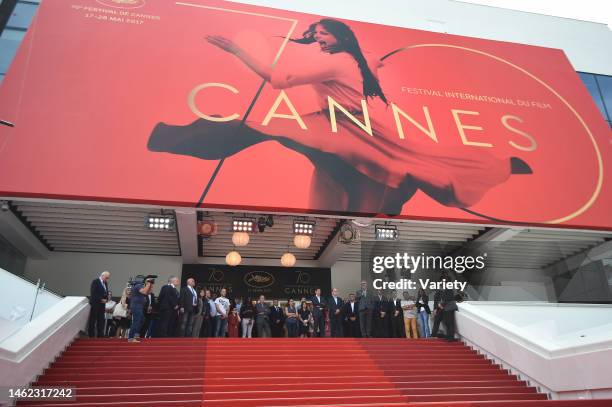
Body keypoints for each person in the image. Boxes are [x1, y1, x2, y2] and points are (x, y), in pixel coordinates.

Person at [149, 19, 532, 217]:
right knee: (386, 170)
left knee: (419, 165)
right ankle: (173, 138)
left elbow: (279, 80)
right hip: (337, 123)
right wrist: (374, 63)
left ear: (339, 36)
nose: (316, 37)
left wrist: (237, 50)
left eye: (322, 33)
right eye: (313, 33)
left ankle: (170, 138)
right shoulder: (355, 61)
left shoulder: (340, 61)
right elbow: (368, 70)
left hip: (347, 128)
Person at [128, 277, 154, 342]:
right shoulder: (138, 286)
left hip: (139, 306)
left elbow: (148, 292)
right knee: (136, 321)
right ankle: (131, 337)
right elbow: (145, 292)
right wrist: (148, 284)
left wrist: (151, 285)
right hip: (136, 306)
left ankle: (136, 333)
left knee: (142, 320)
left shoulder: (140, 286)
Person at [88, 271, 110, 338]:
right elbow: (93, 293)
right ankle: (91, 335)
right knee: (93, 319)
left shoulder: (105, 283)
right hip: (95, 304)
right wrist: (101, 299)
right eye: (106, 277)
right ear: (102, 275)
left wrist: (106, 299)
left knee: (101, 320)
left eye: (108, 278)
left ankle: (100, 335)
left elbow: (105, 292)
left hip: (102, 305)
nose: (107, 279)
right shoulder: (95, 281)